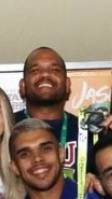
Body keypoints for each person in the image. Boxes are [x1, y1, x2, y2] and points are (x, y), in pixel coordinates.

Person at [13, 47, 79, 178]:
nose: (45, 75)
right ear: (22, 86)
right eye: (35, 70)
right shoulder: (6, 126)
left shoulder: (88, 131)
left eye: (55, 70)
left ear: (67, 84)